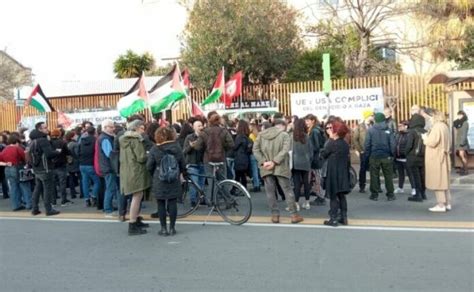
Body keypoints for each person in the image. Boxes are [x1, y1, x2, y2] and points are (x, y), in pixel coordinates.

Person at [253, 118, 304, 224]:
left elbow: (255, 150)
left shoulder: (261, 135)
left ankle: (275, 215)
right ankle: (294, 215)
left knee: (270, 192)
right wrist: (275, 162)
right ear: (282, 125)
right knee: (287, 190)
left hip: (266, 167)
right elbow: (285, 150)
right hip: (280, 166)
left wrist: (264, 162)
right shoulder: (284, 135)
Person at [147, 126, 185, 236]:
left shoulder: (155, 149)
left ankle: (163, 229)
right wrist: (181, 173)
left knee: (161, 203)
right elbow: (183, 164)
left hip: (159, 178)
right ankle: (172, 228)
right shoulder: (177, 147)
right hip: (173, 178)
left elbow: (149, 166)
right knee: (173, 202)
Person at [119, 120, 151, 235]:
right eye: (142, 128)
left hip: (127, 170)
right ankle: (132, 223)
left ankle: (136, 220)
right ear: (136, 128)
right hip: (136, 171)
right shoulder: (136, 139)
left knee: (136, 196)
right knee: (137, 197)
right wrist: (148, 154)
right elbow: (141, 157)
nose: (143, 130)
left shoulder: (124, 139)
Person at [321, 120, 351, 227]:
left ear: (336, 130)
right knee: (341, 196)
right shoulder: (345, 143)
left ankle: (333, 219)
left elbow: (323, 154)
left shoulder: (331, 143)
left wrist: (329, 139)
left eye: (330, 128)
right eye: (327, 128)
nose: (327, 130)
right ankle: (344, 217)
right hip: (343, 172)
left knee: (333, 196)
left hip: (333, 173)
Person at [422, 111, 452, 212]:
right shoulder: (444, 126)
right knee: (444, 182)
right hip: (443, 156)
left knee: (438, 181)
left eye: (430, 117)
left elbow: (432, 142)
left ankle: (440, 205)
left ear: (434, 117)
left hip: (436, 158)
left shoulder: (437, 127)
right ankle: (447, 203)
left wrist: (425, 138)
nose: (430, 119)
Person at [29, 122, 61, 216]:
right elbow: (49, 154)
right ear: (40, 129)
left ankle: (35, 209)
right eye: (45, 128)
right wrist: (57, 152)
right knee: (47, 189)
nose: (47, 129)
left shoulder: (32, 141)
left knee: (37, 188)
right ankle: (49, 209)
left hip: (37, 168)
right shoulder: (43, 140)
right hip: (46, 168)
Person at [364, 112, 396, 201]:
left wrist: (367, 155)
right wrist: (392, 154)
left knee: (374, 176)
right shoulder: (389, 130)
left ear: (375, 120)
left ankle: (374, 194)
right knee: (388, 176)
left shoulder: (370, 130)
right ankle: (390, 194)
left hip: (374, 156)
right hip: (387, 156)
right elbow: (393, 144)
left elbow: (367, 144)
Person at [195, 113, 234, 182]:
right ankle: (224, 192)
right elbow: (231, 144)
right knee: (223, 180)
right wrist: (223, 147)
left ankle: (212, 192)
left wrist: (205, 147)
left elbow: (197, 147)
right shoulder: (224, 131)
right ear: (219, 121)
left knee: (211, 182)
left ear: (209, 121)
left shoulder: (204, 132)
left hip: (208, 159)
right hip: (221, 158)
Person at [0, 134, 32, 211]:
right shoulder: (17, 148)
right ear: (16, 142)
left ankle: (16, 205)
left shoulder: (4, 149)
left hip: (7, 169)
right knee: (25, 186)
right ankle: (28, 204)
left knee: (13, 188)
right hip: (17, 168)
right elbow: (25, 159)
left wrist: (6, 163)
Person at [98, 119, 119, 217]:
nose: (113, 128)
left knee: (110, 188)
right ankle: (108, 209)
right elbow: (109, 154)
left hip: (106, 166)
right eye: (111, 127)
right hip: (109, 167)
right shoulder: (105, 138)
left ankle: (109, 207)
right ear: (105, 127)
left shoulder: (103, 137)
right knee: (110, 188)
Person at [183, 119, 206, 206]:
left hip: (202, 162)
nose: (201, 127)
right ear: (194, 128)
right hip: (192, 163)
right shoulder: (189, 137)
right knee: (194, 183)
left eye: (201, 125)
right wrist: (191, 146)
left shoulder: (204, 137)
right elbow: (184, 151)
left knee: (202, 182)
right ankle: (193, 200)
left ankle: (201, 199)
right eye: (198, 126)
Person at [404, 114, 427, 202]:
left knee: (415, 176)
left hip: (413, 157)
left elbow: (409, 145)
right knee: (422, 175)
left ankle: (418, 195)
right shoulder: (425, 131)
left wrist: (405, 153)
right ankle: (423, 193)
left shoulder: (412, 132)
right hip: (423, 156)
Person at [292, 118, 313, 210]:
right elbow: (311, 152)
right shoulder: (307, 137)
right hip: (306, 162)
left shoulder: (292, 137)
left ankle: (296, 204)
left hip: (295, 163)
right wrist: (309, 160)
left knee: (297, 184)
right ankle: (307, 203)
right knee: (306, 183)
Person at [304, 114, 326, 205]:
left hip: (316, 158)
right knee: (317, 177)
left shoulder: (314, 131)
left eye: (308, 121)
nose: (306, 123)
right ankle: (319, 195)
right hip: (317, 158)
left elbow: (315, 146)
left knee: (317, 177)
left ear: (312, 120)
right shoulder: (315, 130)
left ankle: (320, 197)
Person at [78, 126, 100, 207]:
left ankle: (87, 200)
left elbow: (78, 151)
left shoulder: (82, 140)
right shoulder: (95, 140)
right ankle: (94, 196)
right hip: (91, 164)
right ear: (94, 132)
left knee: (85, 182)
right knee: (97, 182)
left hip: (82, 164)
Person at [353, 109, 373, 193]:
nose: (372, 117)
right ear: (367, 117)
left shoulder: (374, 125)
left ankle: (375, 186)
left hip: (372, 151)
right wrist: (360, 150)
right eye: (371, 115)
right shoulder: (360, 126)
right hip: (364, 151)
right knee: (363, 169)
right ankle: (362, 186)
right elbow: (355, 139)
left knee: (373, 169)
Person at [50, 128, 72, 206]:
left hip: (51, 166)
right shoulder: (62, 142)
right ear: (59, 134)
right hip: (61, 165)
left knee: (52, 184)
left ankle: (53, 201)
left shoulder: (49, 143)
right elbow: (68, 152)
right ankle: (64, 200)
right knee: (62, 183)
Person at [394, 121, 415, 195]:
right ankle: (400, 187)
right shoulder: (398, 134)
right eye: (398, 126)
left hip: (406, 157)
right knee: (400, 174)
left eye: (401, 126)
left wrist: (406, 153)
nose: (399, 127)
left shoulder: (409, 134)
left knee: (410, 174)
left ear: (406, 126)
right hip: (398, 157)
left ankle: (413, 188)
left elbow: (409, 145)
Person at [233, 120, 252, 189]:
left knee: (238, 175)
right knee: (242, 175)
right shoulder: (247, 137)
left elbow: (235, 147)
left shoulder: (239, 137)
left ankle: (235, 189)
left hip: (239, 158)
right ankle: (243, 188)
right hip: (245, 158)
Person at [65, 129, 81, 199]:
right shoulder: (75, 144)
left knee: (71, 178)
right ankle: (82, 193)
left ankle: (72, 193)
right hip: (76, 162)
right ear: (72, 137)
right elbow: (77, 154)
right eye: (75, 135)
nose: (76, 136)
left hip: (69, 162)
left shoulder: (66, 144)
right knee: (80, 178)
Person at [453, 110, 470, 175]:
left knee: (462, 156)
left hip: (462, 142)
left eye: (460, 115)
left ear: (463, 115)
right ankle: (464, 168)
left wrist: (462, 143)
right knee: (461, 156)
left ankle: (466, 170)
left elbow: (464, 133)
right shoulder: (460, 122)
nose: (459, 116)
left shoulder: (465, 123)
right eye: (458, 115)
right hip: (459, 141)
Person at [249, 120, 261, 192]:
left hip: (253, 154)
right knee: (259, 170)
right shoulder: (259, 135)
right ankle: (259, 182)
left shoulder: (251, 136)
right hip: (259, 154)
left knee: (254, 171)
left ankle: (256, 185)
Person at [0, 134, 10, 199]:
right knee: (3, 180)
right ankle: (5, 194)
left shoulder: (3, 146)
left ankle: (5, 194)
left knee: (3, 180)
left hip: (2, 165)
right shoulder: (4, 146)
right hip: (3, 164)